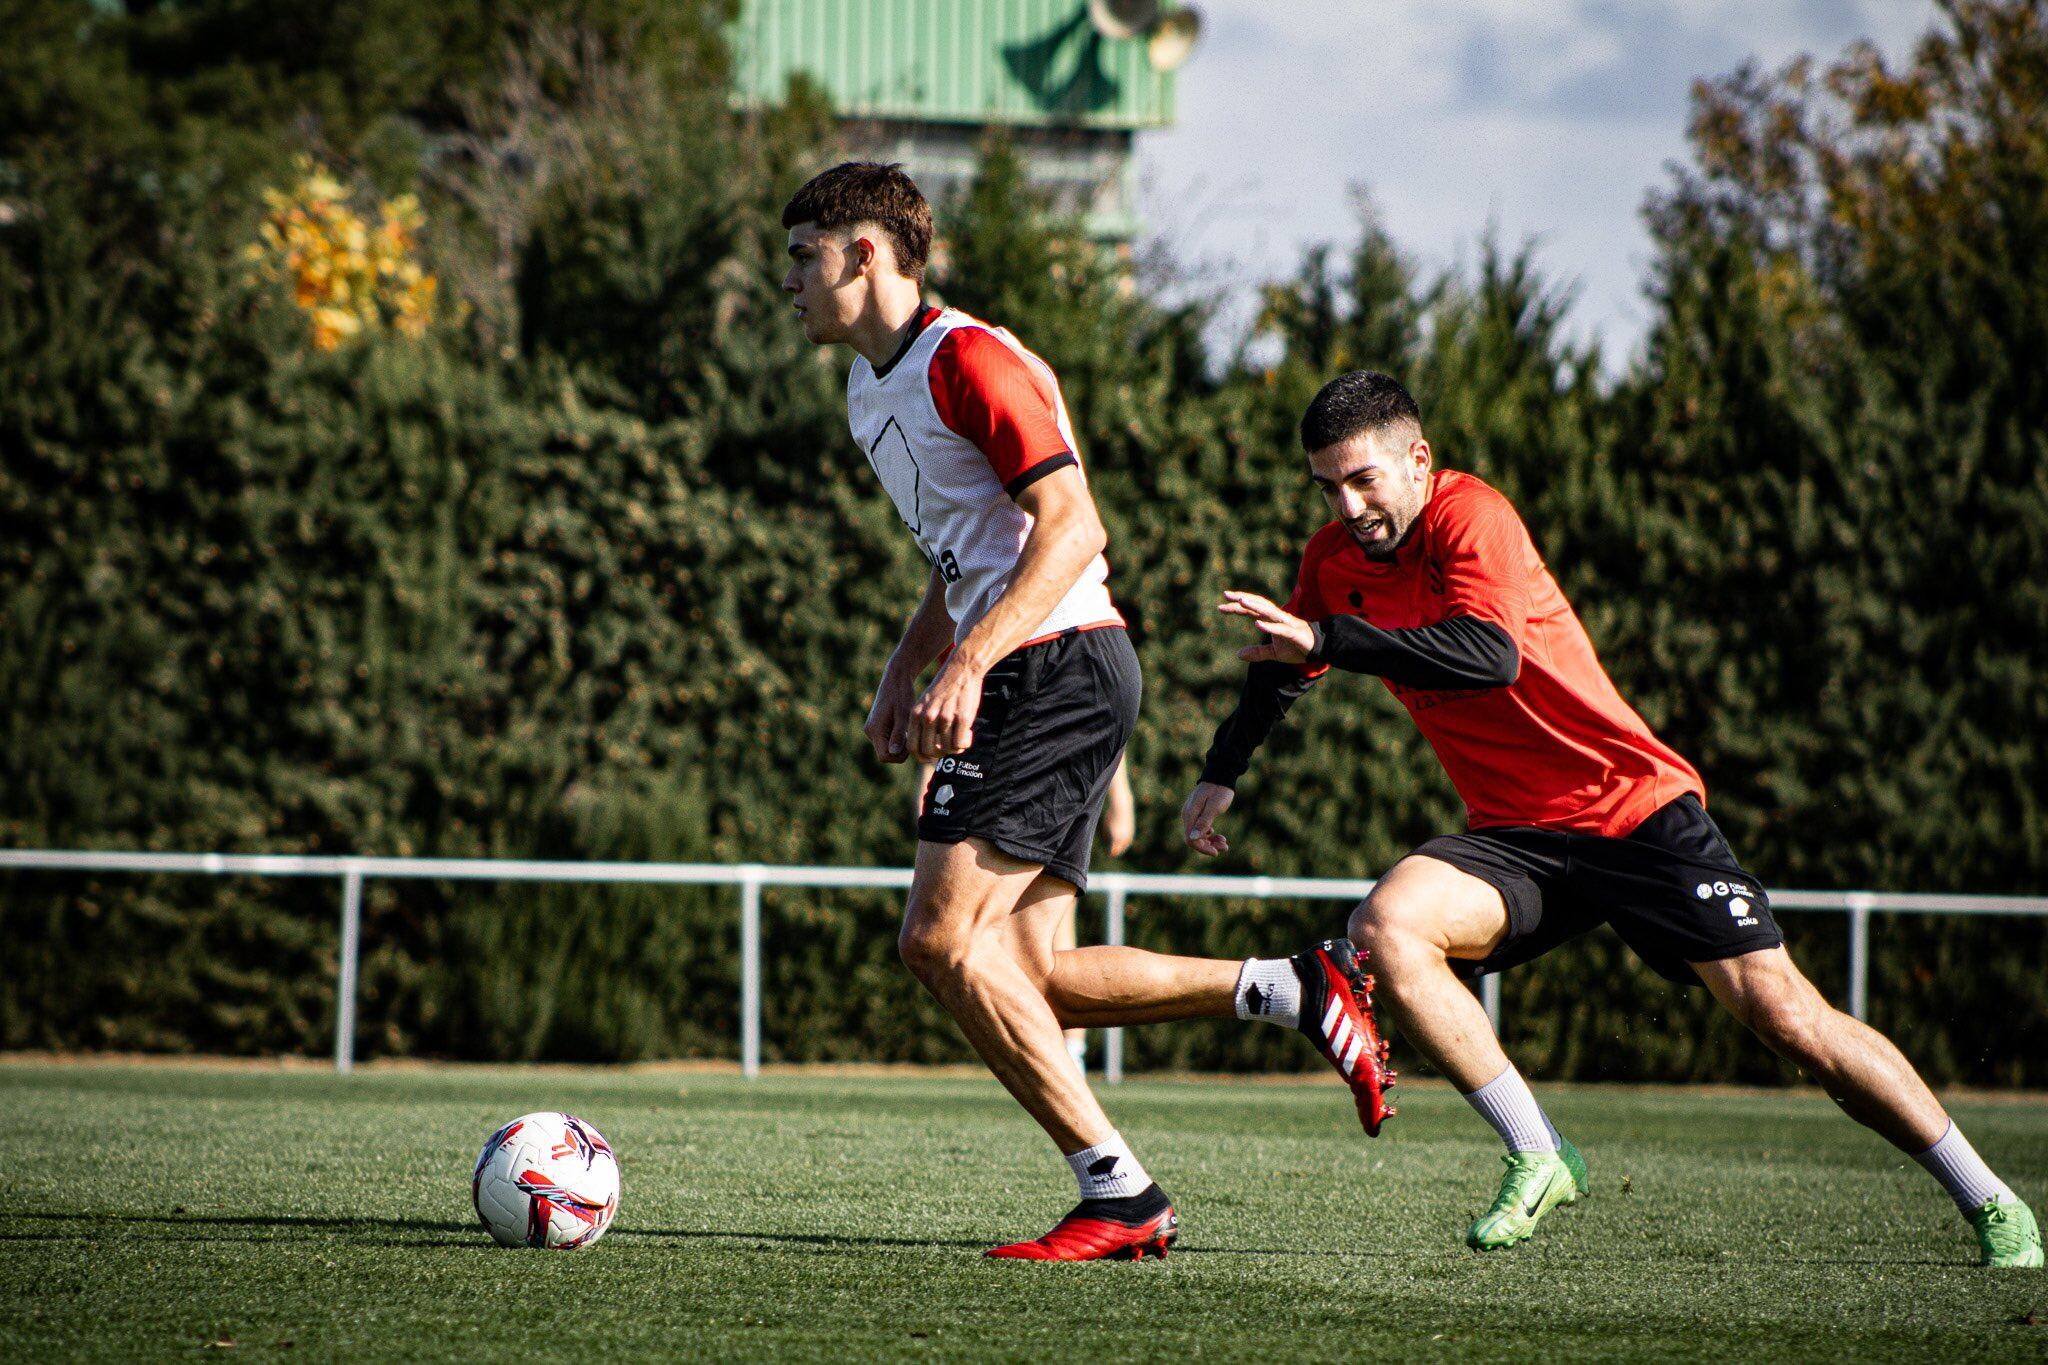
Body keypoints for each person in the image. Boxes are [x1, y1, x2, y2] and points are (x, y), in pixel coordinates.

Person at [1182, 369, 2042, 1268]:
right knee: (1388, 926)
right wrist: (1221, 771)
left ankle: (1990, 1197)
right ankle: (1540, 1152)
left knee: (1787, 1017)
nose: (1348, 504)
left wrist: (1330, 641)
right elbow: (1284, 659)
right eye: (1328, 485)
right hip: (1517, 836)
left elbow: (1489, 655)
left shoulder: (1473, 516)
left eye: (1363, 479)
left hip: (1635, 809)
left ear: (1419, 460)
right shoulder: (1332, 563)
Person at [782, 163, 1394, 1261]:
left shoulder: (967, 356)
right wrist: (904, 665)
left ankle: (1117, 1192)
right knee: (1036, 973)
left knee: (936, 942)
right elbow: (966, 551)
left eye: (801, 255)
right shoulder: (867, 389)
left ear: (862, 254)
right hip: (1041, 664)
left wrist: (968, 666)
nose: (788, 279)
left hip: (1052, 666)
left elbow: (1072, 528)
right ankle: (1289, 987)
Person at [917, 753, 1134, 1072]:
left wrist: (1121, 795)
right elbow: (935, 745)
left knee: (1052, 926)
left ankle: (1069, 1053)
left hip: (1045, 771)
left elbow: (1102, 709)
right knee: (982, 939)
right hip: (992, 780)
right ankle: (1037, 1049)